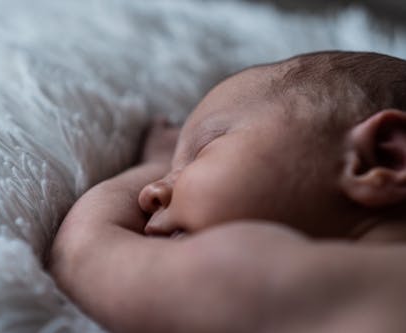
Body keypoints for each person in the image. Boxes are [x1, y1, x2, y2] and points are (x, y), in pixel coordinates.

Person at [49, 51, 406, 333]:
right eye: (167, 168)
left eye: (204, 148)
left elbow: (82, 254)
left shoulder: (331, 284)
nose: (150, 192)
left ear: (385, 157)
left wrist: (152, 162)